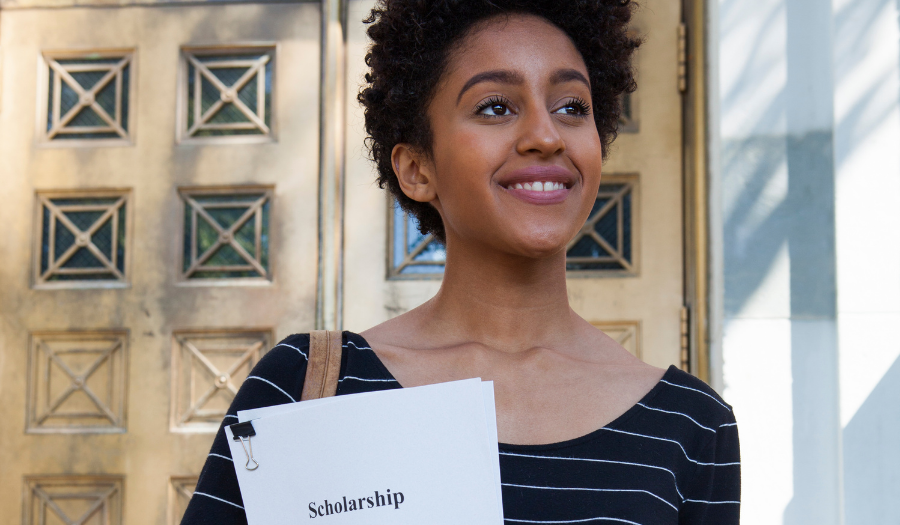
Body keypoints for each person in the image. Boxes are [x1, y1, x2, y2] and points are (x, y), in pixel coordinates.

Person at [180, 1, 741, 523]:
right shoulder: (303, 384)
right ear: (416, 169)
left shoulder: (691, 424)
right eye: (495, 107)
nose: (546, 135)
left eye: (572, 107)